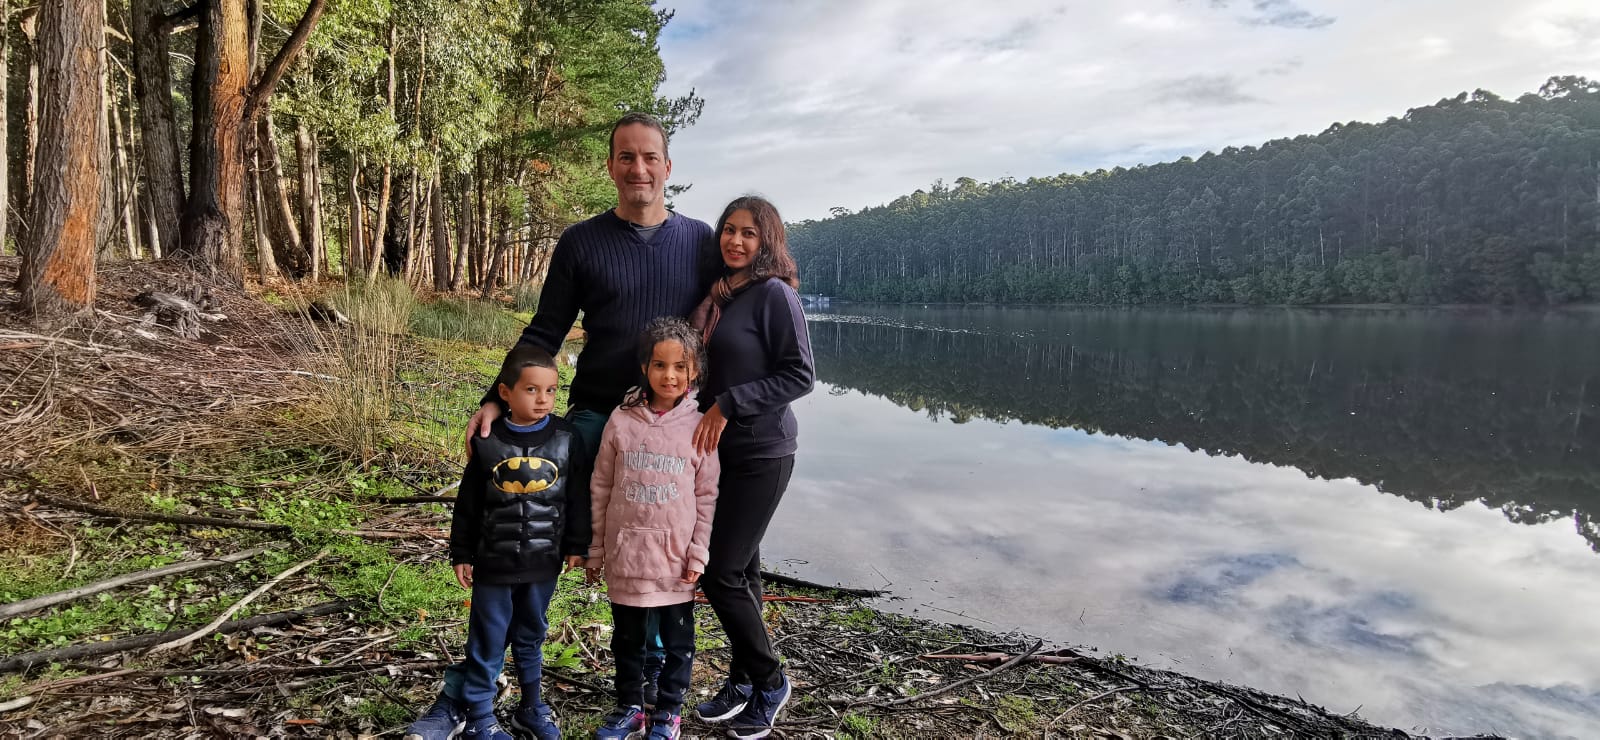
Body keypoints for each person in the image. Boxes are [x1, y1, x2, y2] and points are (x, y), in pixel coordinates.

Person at [407, 112, 715, 740]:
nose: (638, 169)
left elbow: (730, 317)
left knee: (659, 551)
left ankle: (653, 700)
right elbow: (546, 329)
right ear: (610, 166)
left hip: (668, 426)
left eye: (650, 157)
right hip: (596, 419)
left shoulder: (700, 241)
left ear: (669, 167)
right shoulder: (581, 243)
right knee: (527, 542)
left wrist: (735, 405)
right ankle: (470, 691)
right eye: (626, 157)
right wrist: (497, 395)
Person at [688, 196, 815, 740]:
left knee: (721, 572)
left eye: (749, 234)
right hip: (720, 454)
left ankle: (770, 680)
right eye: (729, 231)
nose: (736, 241)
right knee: (745, 572)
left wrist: (728, 403)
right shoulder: (719, 298)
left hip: (763, 451)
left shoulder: (774, 295)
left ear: (768, 242)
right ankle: (743, 680)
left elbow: (800, 375)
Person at [440, 346, 590, 740]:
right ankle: (478, 717)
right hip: (493, 563)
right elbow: (468, 505)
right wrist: (461, 552)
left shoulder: (567, 437)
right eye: (531, 390)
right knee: (488, 638)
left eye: (552, 391)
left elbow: (576, 498)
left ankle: (531, 706)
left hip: (544, 562)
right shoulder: (488, 442)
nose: (543, 399)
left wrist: (577, 545)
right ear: (504, 393)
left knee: (531, 635)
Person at [586, 317, 720, 740]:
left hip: (676, 562)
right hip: (626, 556)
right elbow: (601, 486)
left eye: (680, 366)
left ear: (694, 371)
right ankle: (630, 708)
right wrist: (595, 549)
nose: (670, 375)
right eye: (660, 365)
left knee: (677, 642)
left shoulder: (701, 426)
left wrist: (698, 552)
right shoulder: (620, 422)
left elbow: (706, 496)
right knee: (627, 641)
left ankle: (668, 712)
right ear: (644, 367)